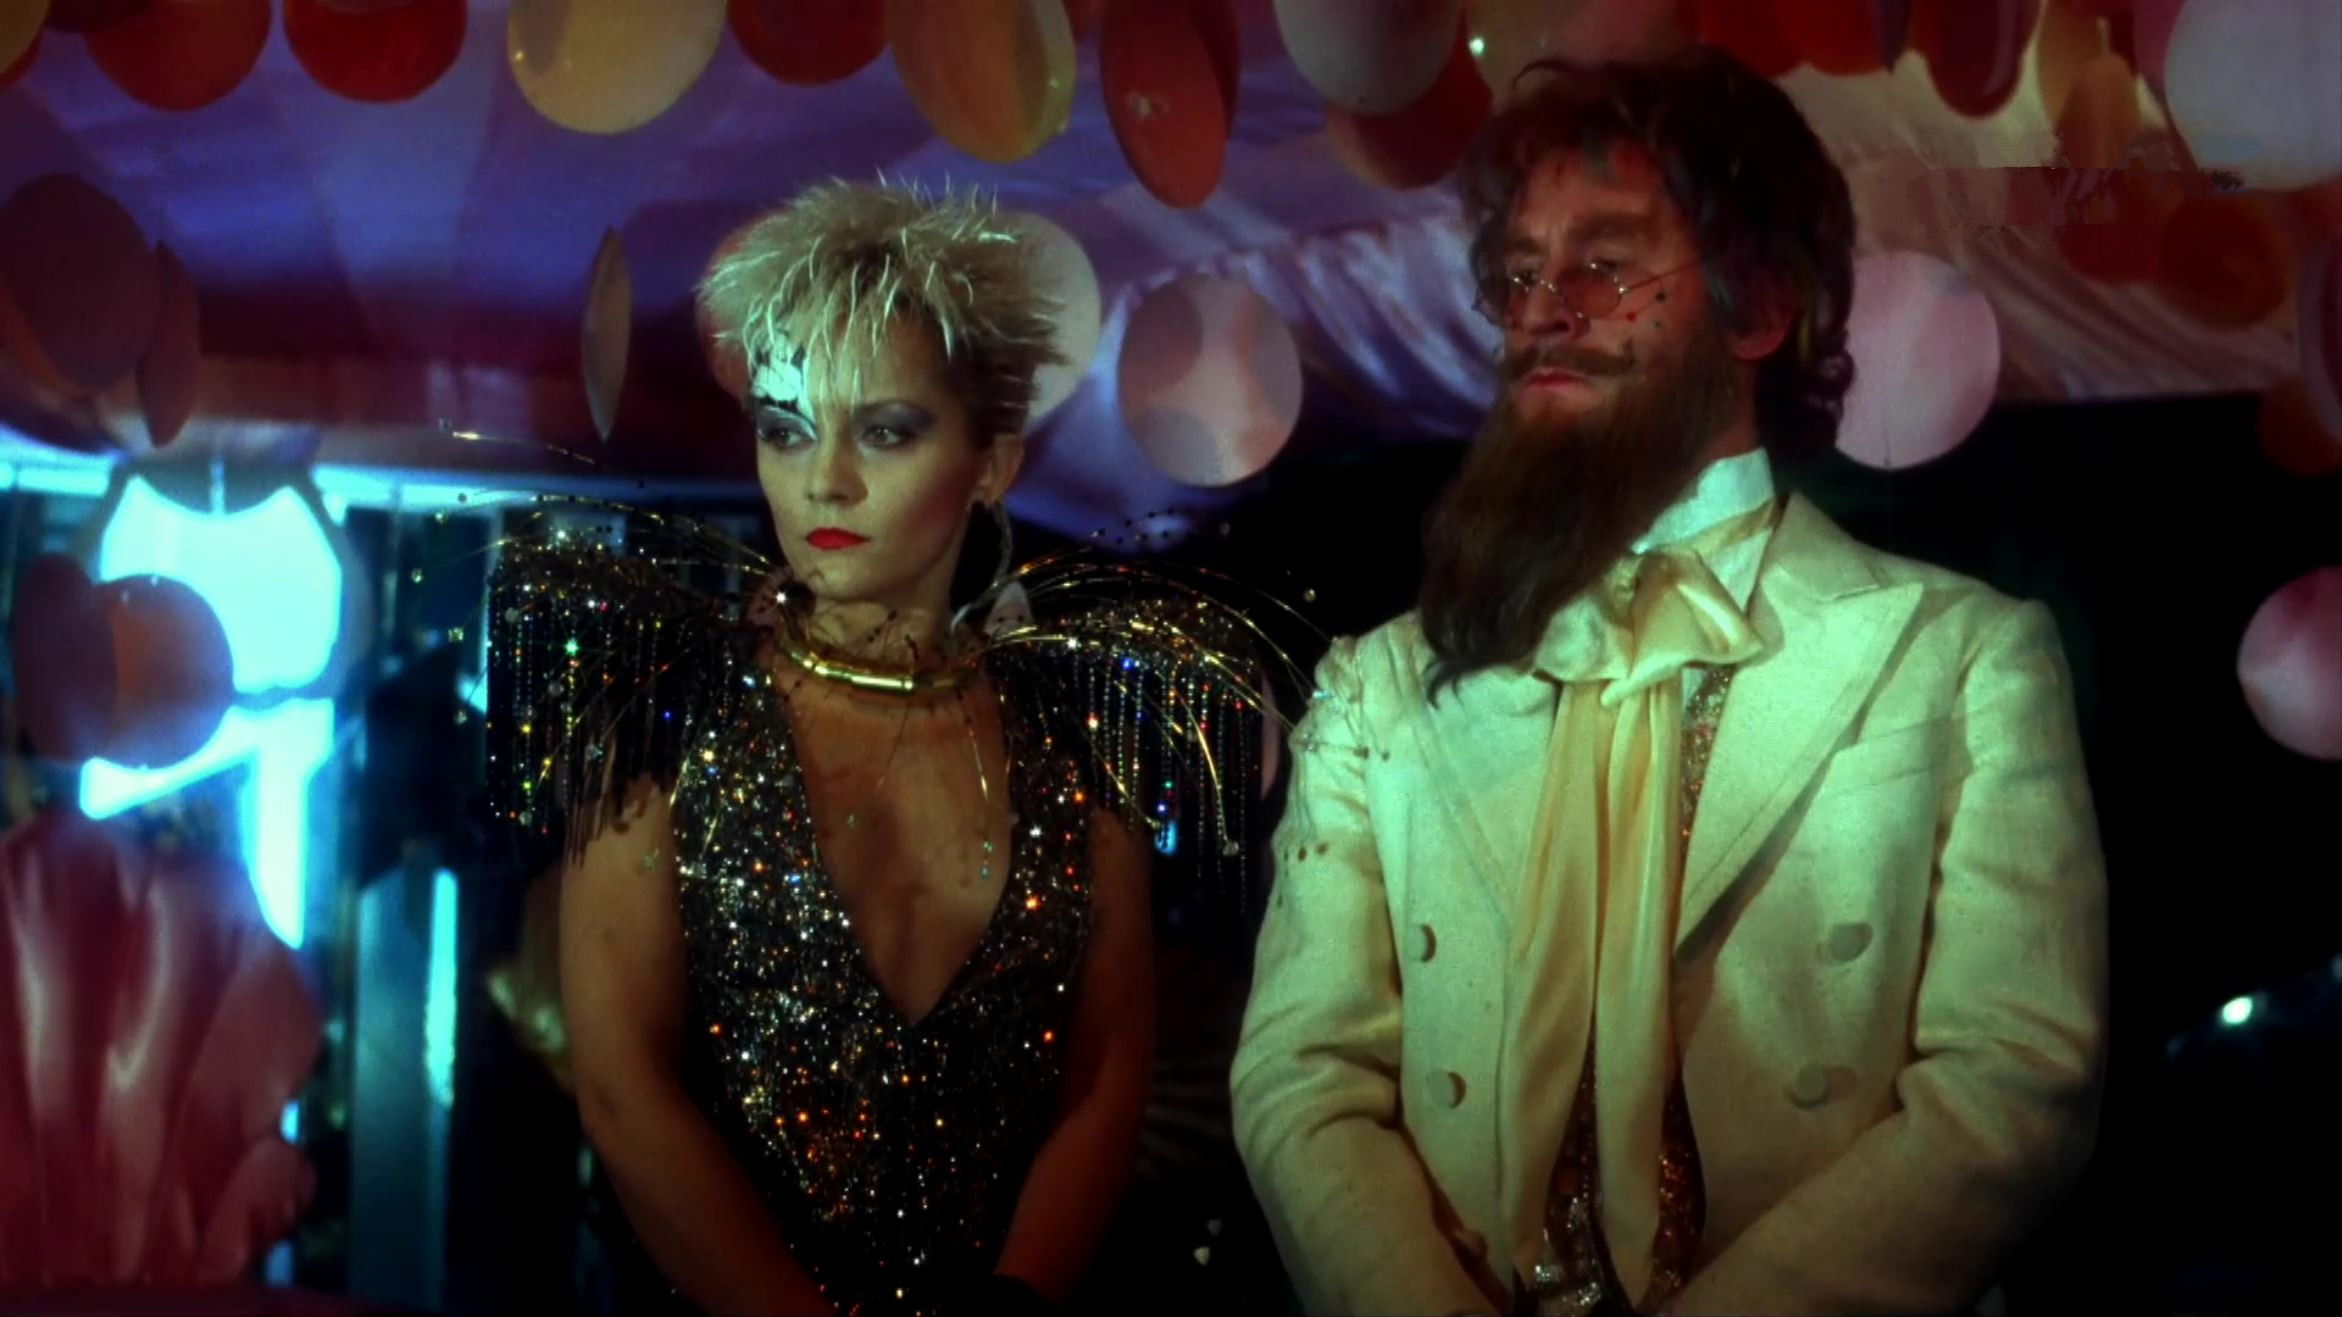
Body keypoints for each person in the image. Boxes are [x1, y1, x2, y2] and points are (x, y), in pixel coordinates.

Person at [1231, 47, 2107, 1317]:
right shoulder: (1377, 688)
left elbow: (2012, 1083)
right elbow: (1301, 1080)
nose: (1542, 310)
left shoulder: (1957, 655)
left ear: (1759, 307)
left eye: (1603, 263)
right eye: (1517, 274)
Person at [486, 182, 1269, 1317]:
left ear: (991, 465)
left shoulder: (1074, 742)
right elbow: (622, 1093)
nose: (826, 478)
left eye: (886, 429)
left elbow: (1105, 1079)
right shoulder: (666, 718)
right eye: (786, 428)